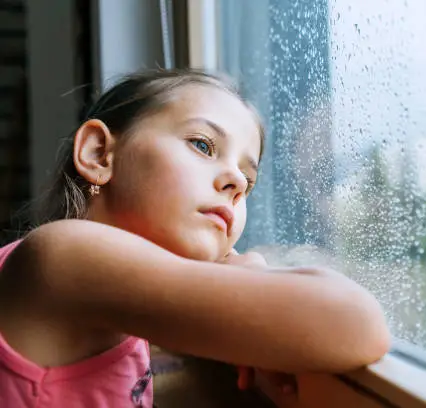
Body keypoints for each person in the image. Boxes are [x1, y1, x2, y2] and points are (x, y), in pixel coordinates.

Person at [0, 68, 390, 407]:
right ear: (100, 154)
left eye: (249, 181)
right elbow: (358, 324)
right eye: (203, 145)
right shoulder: (64, 256)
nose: (237, 182)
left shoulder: (112, 300)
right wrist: (249, 278)